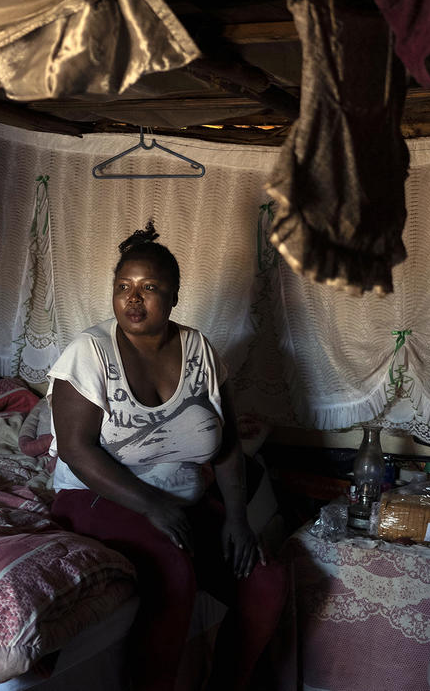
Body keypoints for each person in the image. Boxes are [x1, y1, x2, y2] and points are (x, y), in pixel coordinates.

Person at [47, 220, 286, 691]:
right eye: (123, 287)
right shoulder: (89, 353)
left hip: (181, 503)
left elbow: (229, 444)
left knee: (265, 579)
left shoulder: (201, 351)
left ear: (174, 295)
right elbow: (75, 449)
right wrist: (151, 505)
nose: (133, 299)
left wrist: (237, 519)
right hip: (96, 497)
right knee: (174, 570)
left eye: (149, 287)